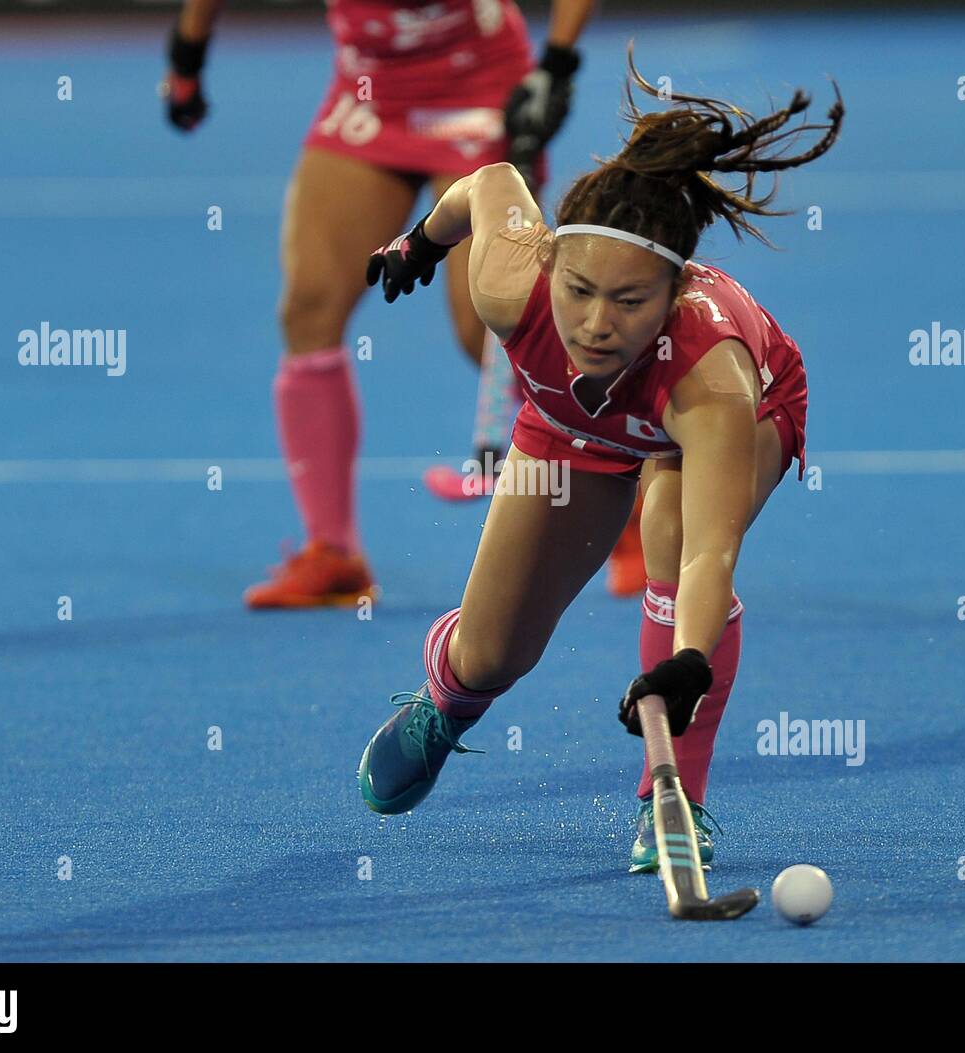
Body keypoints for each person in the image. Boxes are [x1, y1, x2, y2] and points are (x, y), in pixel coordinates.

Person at [357, 49, 842, 872]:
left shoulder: (709, 379)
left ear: (672, 292)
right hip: (570, 429)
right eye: (580, 290)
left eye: (629, 301)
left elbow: (710, 551)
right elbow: (488, 182)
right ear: (552, 264)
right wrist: (420, 244)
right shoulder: (513, 284)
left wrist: (687, 663)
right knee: (490, 656)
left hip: (726, 414)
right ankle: (446, 697)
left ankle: (673, 801)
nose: (595, 324)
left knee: (671, 525)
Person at [161, 0, 596, 607]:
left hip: (480, 87)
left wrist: (557, 64)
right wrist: (187, 56)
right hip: (371, 95)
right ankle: (334, 553)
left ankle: (620, 499)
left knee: (491, 326)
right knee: (311, 307)